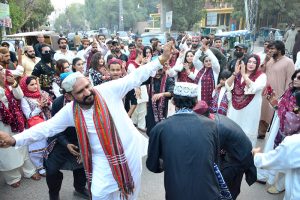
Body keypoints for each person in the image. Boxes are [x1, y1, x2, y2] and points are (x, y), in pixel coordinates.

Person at [0, 42, 174, 200]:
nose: (88, 92)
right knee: (99, 194)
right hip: (100, 159)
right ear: (69, 96)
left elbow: (135, 77)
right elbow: (46, 128)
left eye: (87, 86)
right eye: (80, 91)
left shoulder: (107, 90)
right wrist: (15, 140)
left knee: (128, 194)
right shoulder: (70, 111)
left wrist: (161, 59)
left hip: (128, 153)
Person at [146, 82, 220, 200]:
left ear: (173, 101)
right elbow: (214, 159)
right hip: (207, 191)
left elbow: (152, 165)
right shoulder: (211, 125)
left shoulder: (160, 128)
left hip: (176, 191)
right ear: (196, 102)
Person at [193, 100, 256, 200]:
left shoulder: (217, 128)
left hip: (239, 157)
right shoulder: (213, 118)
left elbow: (212, 155)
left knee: (227, 186)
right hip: (235, 152)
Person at [45, 74, 88, 200]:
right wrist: (66, 143)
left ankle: (80, 188)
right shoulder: (58, 103)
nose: (84, 93)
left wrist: (83, 146)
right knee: (51, 170)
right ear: (67, 95)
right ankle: (53, 194)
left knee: (82, 166)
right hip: (60, 140)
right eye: (78, 92)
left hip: (82, 140)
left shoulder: (89, 100)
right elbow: (54, 127)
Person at [257, 69, 300, 194]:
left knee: (289, 158)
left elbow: (297, 115)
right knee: (276, 153)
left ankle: (281, 186)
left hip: (293, 131)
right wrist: (273, 100)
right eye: (295, 77)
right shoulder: (290, 91)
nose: (296, 79)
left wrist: (286, 111)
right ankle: (268, 178)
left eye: (299, 78)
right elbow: (279, 106)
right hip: (280, 125)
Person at [0, 66, 40, 188]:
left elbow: (19, 96)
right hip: (2, 123)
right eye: (0, 71)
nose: (2, 72)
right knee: (6, 151)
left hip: (16, 121)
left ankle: (29, 171)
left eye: (2, 69)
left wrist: (14, 83)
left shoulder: (9, 84)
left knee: (21, 145)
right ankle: (13, 178)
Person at [225, 54, 267, 147]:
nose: (251, 64)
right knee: (233, 129)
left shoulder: (261, 76)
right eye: (249, 62)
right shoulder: (238, 74)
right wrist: (235, 73)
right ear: (245, 63)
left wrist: (244, 74)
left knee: (247, 130)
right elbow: (227, 85)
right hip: (235, 107)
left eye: (254, 62)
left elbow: (254, 88)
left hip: (251, 108)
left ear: (258, 64)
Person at [259, 41, 295, 139]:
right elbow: (260, 72)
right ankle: (261, 132)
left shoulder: (288, 62)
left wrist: (285, 96)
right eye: (269, 48)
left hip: (279, 95)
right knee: (263, 113)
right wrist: (266, 60)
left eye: (272, 49)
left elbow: (290, 80)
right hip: (266, 93)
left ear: (279, 50)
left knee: (275, 117)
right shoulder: (270, 60)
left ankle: (274, 136)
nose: (269, 50)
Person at [20, 75, 52, 176]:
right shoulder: (24, 99)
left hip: (46, 121)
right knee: (38, 145)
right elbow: (28, 115)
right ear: (25, 86)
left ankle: (47, 163)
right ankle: (39, 166)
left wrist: (48, 103)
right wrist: (39, 107)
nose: (35, 87)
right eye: (31, 84)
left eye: (35, 84)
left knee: (48, 144)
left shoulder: (41, 94)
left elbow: (51, 106)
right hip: (34, 125)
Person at [253, 133, 300, 200]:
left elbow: (274, 159)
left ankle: (278, 185)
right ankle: (279, 186)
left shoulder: (295, 142)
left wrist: (256, 156)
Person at [145, 68, 174, 136]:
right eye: (155, 70)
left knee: (161, 131)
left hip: (162, 109)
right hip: (151, 108)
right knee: (150, 130)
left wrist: (162, 94)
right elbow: (140, 80)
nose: (157, 73)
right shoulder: (151, 78)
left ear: (164, 69)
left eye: (160, 70)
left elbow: (172, 92)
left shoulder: (168, 79)